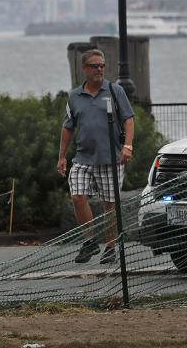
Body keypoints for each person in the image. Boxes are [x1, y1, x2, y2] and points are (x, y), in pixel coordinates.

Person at [58, 49, 134, 264]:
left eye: (102, 65)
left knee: (109, 204)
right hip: (83, 158)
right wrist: (62, 156)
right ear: (84, 69)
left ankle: (111, 246)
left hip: (111, 157)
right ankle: (89, 241)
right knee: (77, 197)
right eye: (95, 66)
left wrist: (127, 146)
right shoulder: (74, 96)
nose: (99, 69)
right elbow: (67, 127)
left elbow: (128, 119)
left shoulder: (115, 90)